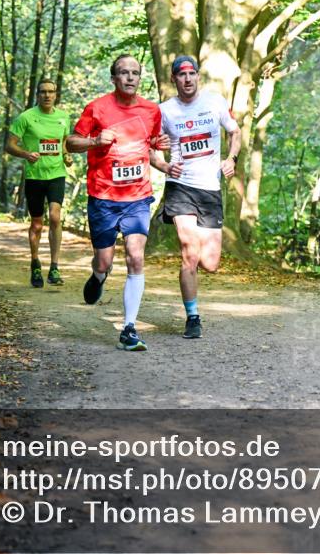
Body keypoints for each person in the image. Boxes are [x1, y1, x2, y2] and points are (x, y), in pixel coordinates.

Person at [66, 54, 168, 351]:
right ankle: (99, 275)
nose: (130, 78)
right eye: (123, 73)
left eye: (135, 73)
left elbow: (151, 146)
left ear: (140, 77)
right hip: (103, 198)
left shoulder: (151, 111)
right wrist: (95, 141)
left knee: (136, 256)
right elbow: (71, 143)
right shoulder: (97, 108)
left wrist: (161, 155)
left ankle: (129, 328)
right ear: (114, 78)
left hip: (137, 197)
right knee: (105, 260)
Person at [152, 55, 240, 339]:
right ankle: (193, 317)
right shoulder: (164, 111)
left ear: (198, 77)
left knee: (210, 263)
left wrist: (232, 159)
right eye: (181, 75)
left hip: (210, 189)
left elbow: (235, 132)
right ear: (174, 79)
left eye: (191, 74)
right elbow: (151, 148)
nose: (187, 79)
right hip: (180, 186)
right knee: (189, 252)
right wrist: (164, 164)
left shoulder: (215, 102)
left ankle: (196, 275)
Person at [5, 79, 72, 288]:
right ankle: (35, 263)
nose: (47, 95)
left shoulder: (63, 117)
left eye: (51, 92)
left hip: (56, 174)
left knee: (55, 216)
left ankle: (54, 266)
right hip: (34, 176)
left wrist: (67, 155)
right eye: (43, 92)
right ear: (37, 94)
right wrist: (26, 154)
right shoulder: (26, 118)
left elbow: (64, 143)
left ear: (56, 94)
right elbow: (9, 145)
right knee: (37, 223)